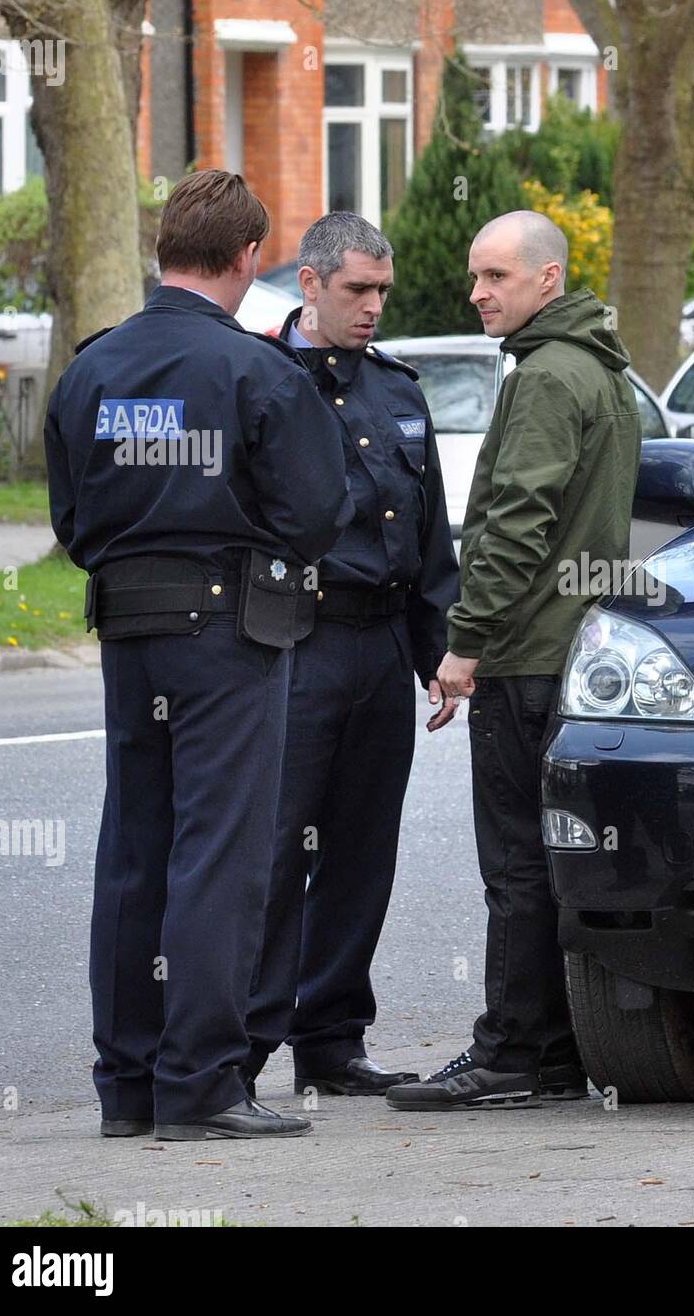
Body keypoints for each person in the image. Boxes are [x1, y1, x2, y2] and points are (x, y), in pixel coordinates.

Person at [44, 170, 352, 1141]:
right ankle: (203, 1082)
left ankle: (127, 1084)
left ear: (166, 248)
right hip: (227, 634)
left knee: (134, 854)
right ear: (248, 256)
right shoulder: (255, 371)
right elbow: (315, 512)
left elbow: (71, 517)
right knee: (219, 856)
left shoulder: (92, 368)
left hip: (127, 628)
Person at [386, 210, 640, 1112]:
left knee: (518, 862)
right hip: (575, 650)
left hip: (527, 654)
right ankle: (561, 1047)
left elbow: (515, 523)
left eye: (496, 275)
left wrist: (465, 644)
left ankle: (510, 1053)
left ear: (548, 278)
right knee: (559, 854)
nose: (478, 292)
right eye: (475, 275)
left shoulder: (545, 376)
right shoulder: (602, 370)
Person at [243, 212, 458, 1097]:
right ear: (311, 283)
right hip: (296, 640)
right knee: (274, 849)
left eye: (382, 292)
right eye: (357, 291)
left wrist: (442, 652)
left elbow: (431, 535)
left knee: (363, 851)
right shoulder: (260, 379)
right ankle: (242, 1049)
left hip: (379, 640)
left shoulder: (398, 390)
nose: (373, 308)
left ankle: (331, 1040)